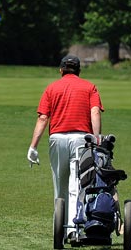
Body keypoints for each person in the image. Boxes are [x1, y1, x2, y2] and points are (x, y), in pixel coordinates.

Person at [27, 55, 103, 238]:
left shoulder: (52, 87)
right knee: (76, 185)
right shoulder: (89, 87)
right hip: (81, 139)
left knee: (59, 185)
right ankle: (73, 230)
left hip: (57, 138)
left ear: (61, 70)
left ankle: (60, 229)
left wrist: (33, 146)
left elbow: (43, 118)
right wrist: (97, 138)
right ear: (79, 70)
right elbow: (94, 112)